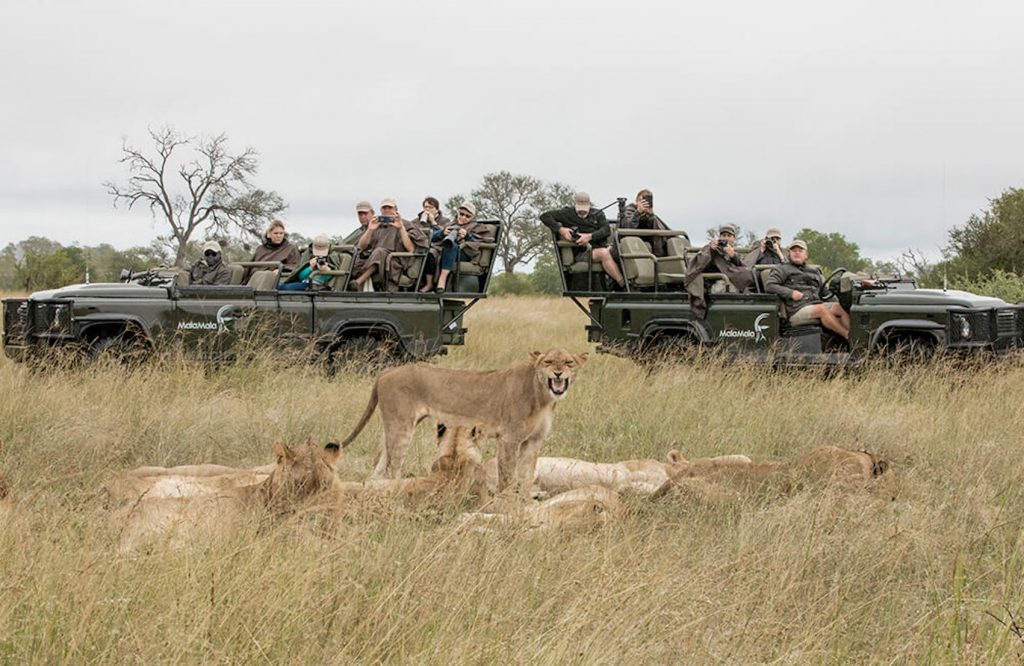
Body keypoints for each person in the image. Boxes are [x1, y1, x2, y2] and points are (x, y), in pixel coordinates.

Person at [764, 239, 850, 339]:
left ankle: (856, 338)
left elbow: (825, 292)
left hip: (816, 304)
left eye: (800, 250)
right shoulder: (782, 269)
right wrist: (790, 293)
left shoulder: (814, 271)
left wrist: (838, 300)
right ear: (789, 253)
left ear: (806, 255)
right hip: (795, 310)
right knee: (822, 309)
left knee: (841, 308)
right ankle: (848, 336)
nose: (797, 253)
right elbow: (770, 286)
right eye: (794, 250)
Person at [540, 191, 625, 290]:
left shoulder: (598, 214)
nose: (582, 212)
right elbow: (545, 216)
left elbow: (606, 230)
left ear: (589, 205)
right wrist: (561, 230)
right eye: (580, 209)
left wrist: (589, 236)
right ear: (575, 204)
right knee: (604, 253)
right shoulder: (567, 213)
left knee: (620, 250)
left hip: (600, 246)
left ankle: (625, 285)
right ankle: (623, 284)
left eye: (585, 210)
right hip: (582, 252)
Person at [350, 198, 428, 292]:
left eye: (389, 208)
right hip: (374, 258)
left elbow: (411, 249)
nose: (387, 210)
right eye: (384, 208)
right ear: (381, 210)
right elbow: (361, 246)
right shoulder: (377, 224)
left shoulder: (405, 224)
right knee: (357, 259)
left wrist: (401, 228)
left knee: (380, 251)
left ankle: (358, 282)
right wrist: (370, 230)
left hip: (396, 260)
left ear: (395, 209)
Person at [420, 201, 495, 293]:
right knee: (430, 252)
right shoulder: (450, 224)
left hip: (463, 253)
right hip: (444, 251)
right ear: (458, 213)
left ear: (472, 218)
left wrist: (468, 236)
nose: (463, 217)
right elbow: (432, 236)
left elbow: (484, 240)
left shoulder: (476, 227)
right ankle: (428, 283)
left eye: (467, 216)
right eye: (461, 214)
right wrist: (442, 233)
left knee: (452, 246)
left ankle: (442, 279)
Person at [681, 224, 755, 317]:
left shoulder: (730, 251)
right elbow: (699, 265)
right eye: (724, 235)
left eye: (729, 236)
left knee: (747, 277)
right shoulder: (711, 248)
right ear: (719, 237)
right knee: (733, 285)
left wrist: (733, 257)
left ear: (734, 238)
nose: (726, 238)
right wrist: (711, 250)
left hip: (726, 279)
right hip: (714, 282)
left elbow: (742, 267)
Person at [619, 189, 684, 257]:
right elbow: (628, 228)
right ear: (637, 201)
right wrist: (638, 212)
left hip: (649, 241)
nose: (645, 203)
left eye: (647, 200)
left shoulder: (650, 215)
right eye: (642, 200)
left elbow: (657, 228)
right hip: (633, 242)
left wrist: (650, 215)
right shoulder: (629, 210)